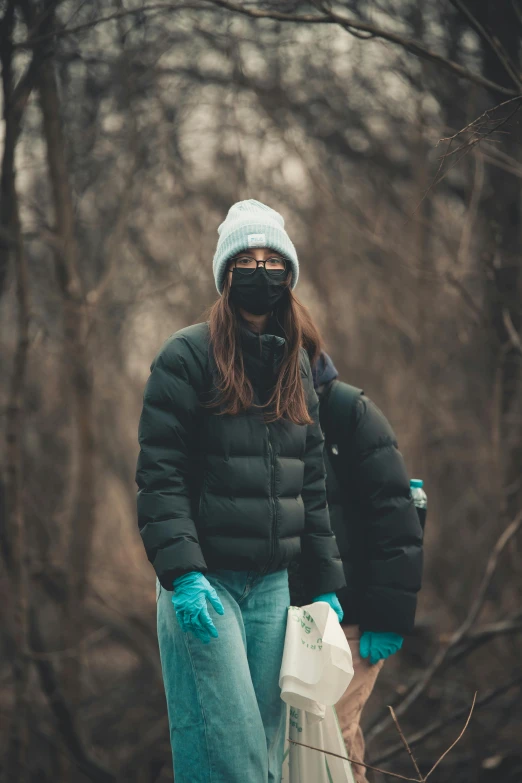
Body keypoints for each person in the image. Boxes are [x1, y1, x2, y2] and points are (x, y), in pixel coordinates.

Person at [135, 199, 346, 783]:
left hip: (272, 591)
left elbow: (312, 484)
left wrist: (323, 584)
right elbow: (160, 474)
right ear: (226, 276)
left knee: (269, 760)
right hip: (207, 586)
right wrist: (182, 574)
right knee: (234, 761)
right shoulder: (187, 355)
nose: (260, 272)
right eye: (245, 261)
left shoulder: (297, 366)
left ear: (289, 275)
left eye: (271, 261)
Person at [310, 351, 424, 783]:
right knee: (308, 750)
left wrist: (387, 618)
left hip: (356, 621)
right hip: (301, 617)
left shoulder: (348, 412)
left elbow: (397, 519)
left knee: (332, 747)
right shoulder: (268, 411)